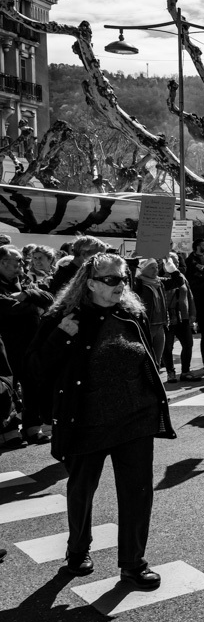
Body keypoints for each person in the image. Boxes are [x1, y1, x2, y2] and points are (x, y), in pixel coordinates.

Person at [29, 253, 176, 589]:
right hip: (86, 420)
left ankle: (133, 564)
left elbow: (146, 358)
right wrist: (62, 336)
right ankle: (78, 550)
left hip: (135, 419)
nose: (120, 285)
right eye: (111, 279)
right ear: (91, 283)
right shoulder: (64, 318)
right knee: (82, 488)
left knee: (137, 492)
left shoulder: (131, 314)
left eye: (123, 278)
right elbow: (34, 368)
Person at [0, 245, 54, 444]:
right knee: (7, 388)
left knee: (32, 386)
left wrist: (27, 296)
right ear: (3, 262)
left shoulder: (24, 282)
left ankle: (33, 427)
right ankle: (9, 430)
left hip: (30, 343)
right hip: (5, 345)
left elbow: (48, 299)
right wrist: (32, 304)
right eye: (17, 261)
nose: (21, 265)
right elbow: (7, 309)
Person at [161, 254, 197, 383]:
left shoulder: (182, 277)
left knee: (188, 344)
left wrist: (192, 313)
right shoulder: (160, 279)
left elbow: (189, 296)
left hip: (183, 317)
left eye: (176, 262)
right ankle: (170, 372)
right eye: (172, 262)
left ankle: (185, 371)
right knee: (168, 347)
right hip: (168, 318)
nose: (175, 265)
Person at [131, 259, 169, 373]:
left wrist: (171, 267)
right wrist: (133, 264)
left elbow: (178, 280)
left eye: (157, 267)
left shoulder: (159, 282)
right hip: (147, 326)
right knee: (146, 358)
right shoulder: (139, 283)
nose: (155, 270)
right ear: (143, 269)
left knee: (157, 360)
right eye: (152, 267)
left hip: (159, 325)